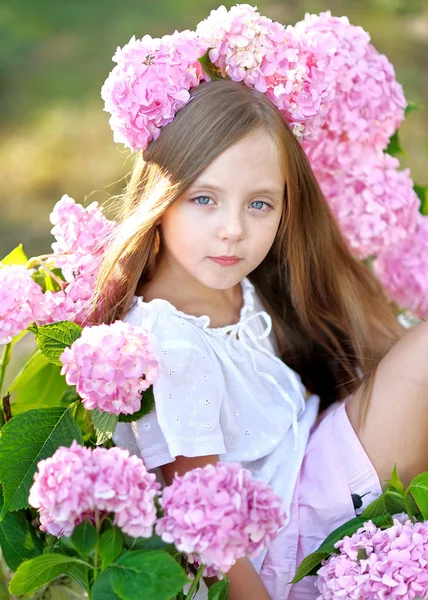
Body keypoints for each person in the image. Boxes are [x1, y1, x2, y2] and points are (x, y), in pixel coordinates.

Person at [91, 17, 428, 600]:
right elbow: (207, 528)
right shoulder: (171, 345)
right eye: (204, 199)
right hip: (291, 537)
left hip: (309, 464)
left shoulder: (231, 286)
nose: (232, 232)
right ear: (161, 198)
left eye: (259, 205)